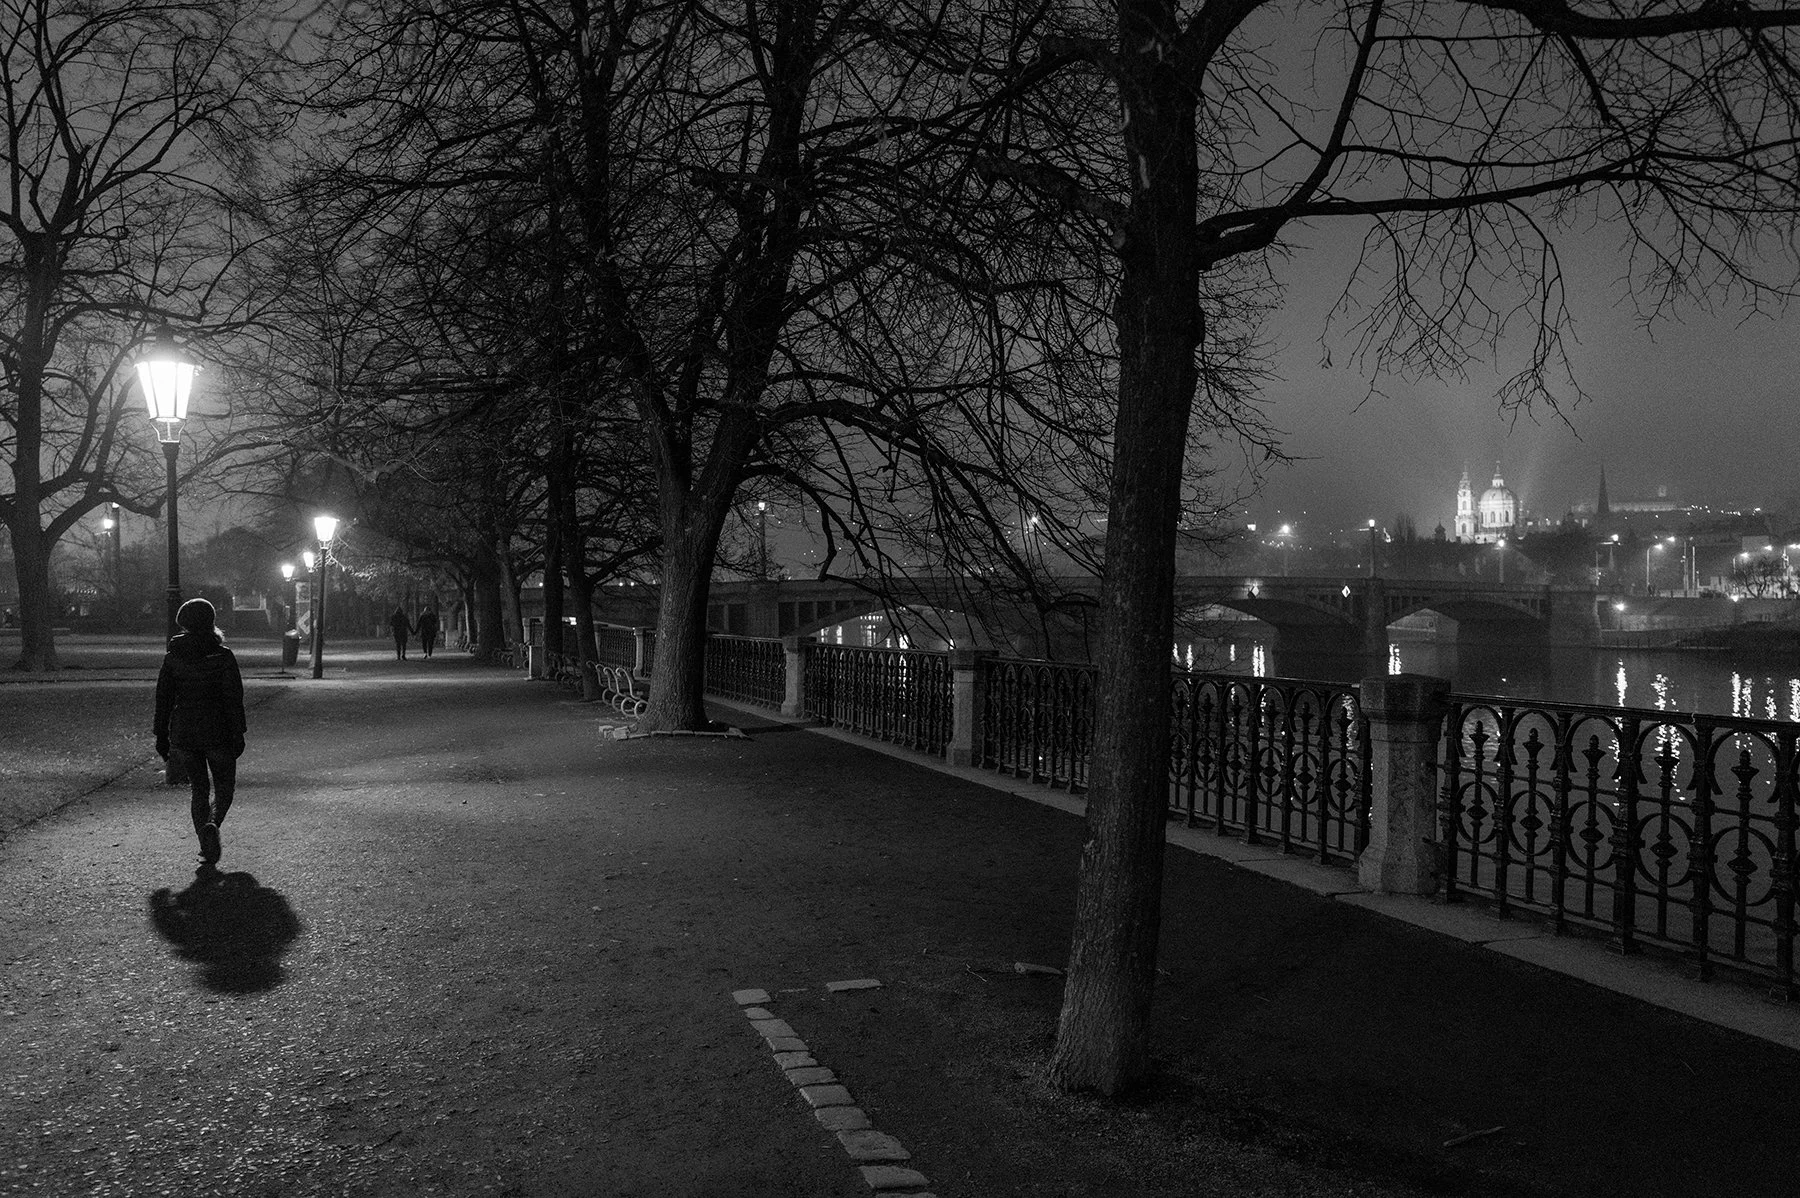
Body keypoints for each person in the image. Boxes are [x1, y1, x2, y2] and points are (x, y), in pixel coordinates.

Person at [153, 599, 246, 871]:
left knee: (199, 789)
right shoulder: (223, 656)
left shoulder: (172, 658)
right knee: (224, 787)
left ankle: (206, 845)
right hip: (218, 731)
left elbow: (164, 700)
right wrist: (238, 732)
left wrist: (161, 735)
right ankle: (212, 824)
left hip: (185, 731)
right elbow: (233, 698)